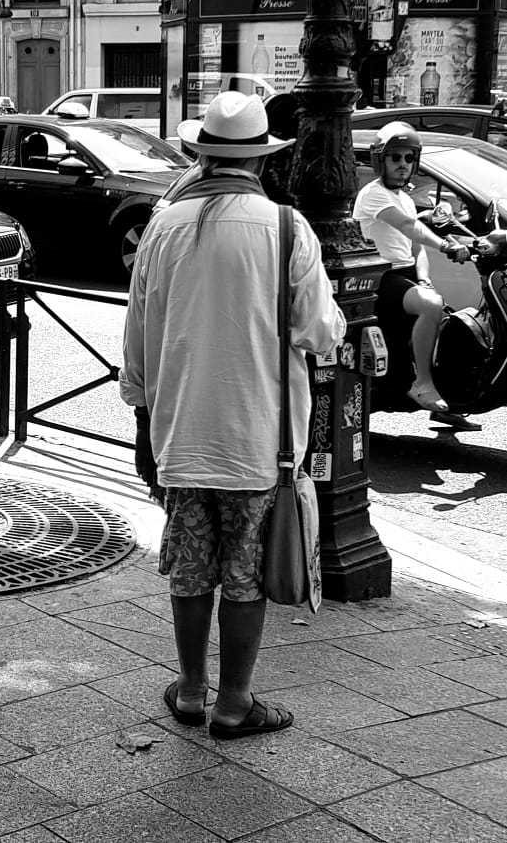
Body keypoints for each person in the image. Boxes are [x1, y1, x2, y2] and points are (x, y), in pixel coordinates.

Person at [121, 91, 345, 740]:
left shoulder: (162, 225)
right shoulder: (285, 229)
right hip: (259, 442)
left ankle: (190, 691)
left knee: (191, 569)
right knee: (243, 573)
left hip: (182, 436)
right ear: (261, 159)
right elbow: (318, 331)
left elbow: (137, 338)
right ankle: (234, 702)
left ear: (200, 154)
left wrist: (141, 417)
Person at [352, 122, 471, 415]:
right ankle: (422, 382)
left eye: (408, 158)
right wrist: (445, 246)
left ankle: (449, 403)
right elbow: (409, 227)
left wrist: (424, 278)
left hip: (404, 276)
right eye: (395, 157)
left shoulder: (404, 197)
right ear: (381, 159)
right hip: (380, 277)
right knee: (431, 306)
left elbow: (416, 249)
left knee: (450, 320)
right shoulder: (373, 194)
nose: (403, 164)